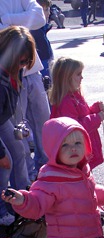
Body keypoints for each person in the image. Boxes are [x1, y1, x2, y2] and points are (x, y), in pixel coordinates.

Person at [0, 0, 51, 183]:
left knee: (38, 130)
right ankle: (16, 193)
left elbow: (39, 18)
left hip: (31, 73)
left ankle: (39, 180)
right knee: (9, 154)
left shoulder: (18, 69)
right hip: (5, 85)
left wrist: (6, 20)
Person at [0, 26, 36, 226]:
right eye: (20, 61)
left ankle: (23, 201)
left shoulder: (15, 69)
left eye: (25, 61)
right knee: (5, 163)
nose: (23, 66)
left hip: (2, 119)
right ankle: (0, 210)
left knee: (19, 152)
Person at [49, 57, 104, 171]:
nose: (82, 77)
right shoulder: (66, 102)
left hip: (79, 149)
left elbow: (82, 114)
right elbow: (75, 128)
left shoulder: (74, 94)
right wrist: (96, 118)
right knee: (80, 177)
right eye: (78, 74)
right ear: (67, 78)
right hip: (75, 151)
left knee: (85, 175)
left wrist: (94, 109)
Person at [31, 0, 54, 79]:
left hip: (47, 66)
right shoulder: (34, 30)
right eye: (46, 10)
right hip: (42, 69)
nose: (49, 13)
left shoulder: (41, 29)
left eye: (49, 9)